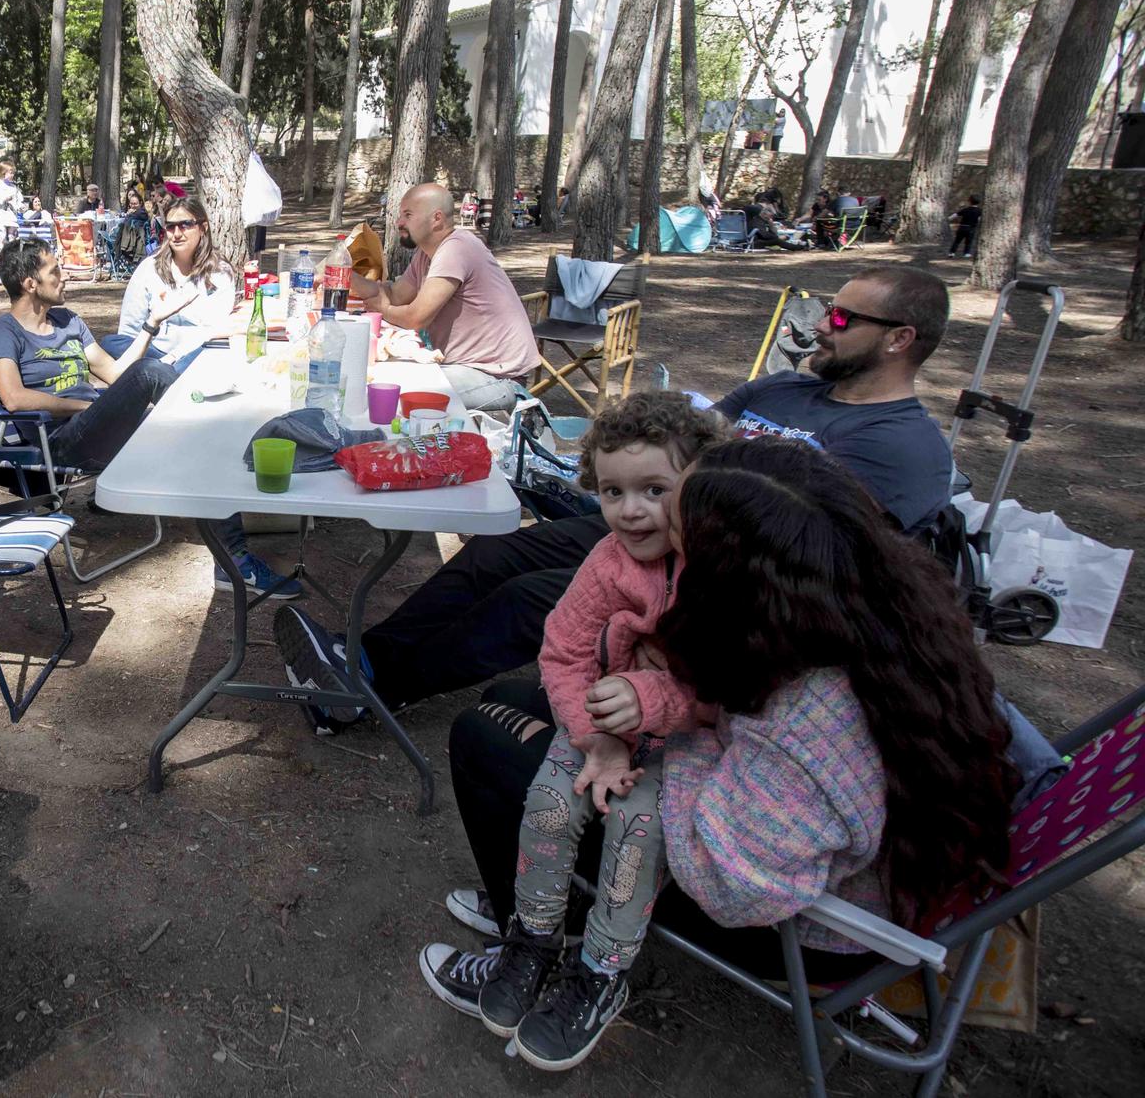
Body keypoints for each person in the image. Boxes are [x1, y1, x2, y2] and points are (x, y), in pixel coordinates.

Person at [429, 436, 1017, 1070]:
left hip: (794, 920)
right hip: (811, 834)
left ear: (732, 578)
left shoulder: (808, 719)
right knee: (515, 695)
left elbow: (733, 886)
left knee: (484, 735)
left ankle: (551, 941)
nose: (655, 541)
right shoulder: (875, 603)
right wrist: (645, 702)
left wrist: (660, 735)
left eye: (676, 534)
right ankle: (535, 910)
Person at [274, 265, 956, 728]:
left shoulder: (904, 447)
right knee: (496, 555)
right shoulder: (785, 390)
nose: (822, 325)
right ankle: (358, 659)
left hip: (715, 584)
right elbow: (685, 438)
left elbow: (835, 567)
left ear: (899, 339)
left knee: (526, 600)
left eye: (841, 316)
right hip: (652, 532)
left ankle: (367, 693)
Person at [416, 392, 720, 1069]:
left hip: (681, 743)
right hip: (599, 721)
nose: (630, 509)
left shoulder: (720, 571)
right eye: (612, 491)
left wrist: (647, 700)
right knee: (552, 803)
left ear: (698, 484)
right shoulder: (610, 559)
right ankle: (532, 940)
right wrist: (595, 735)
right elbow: (562, 649)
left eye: (654, 490)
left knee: (639, 831)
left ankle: (600, 972)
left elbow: (722, 688)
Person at [108, 196, 300, 595]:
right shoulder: (148, 271)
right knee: (207, 425)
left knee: (218, 410)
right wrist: (166, 338)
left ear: (203, 227)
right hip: (154, 361)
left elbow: (214, 333)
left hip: (194, 362)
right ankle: (234, 560)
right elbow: (126, 337)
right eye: (170, 226)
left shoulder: (219, 275)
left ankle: (233, 546)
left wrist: (181, 343)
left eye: (185, 225)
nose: (176, 233)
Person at [0, 238, 184, 474]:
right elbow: (14, 398)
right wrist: (85, 407)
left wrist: (152, 323)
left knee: (167, 424)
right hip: (61, 441)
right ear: (30, 284)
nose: (65, 276)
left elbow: (115, 374)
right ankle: (214, 422)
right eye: (55, 271)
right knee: (149, 372)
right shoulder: (4, 331)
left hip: (96, 424)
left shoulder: (68, 321)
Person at [347, 182, 539, 414]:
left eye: (408, 215)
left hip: (498, 378)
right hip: (465, 369)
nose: (399, 222)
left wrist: (384, 309)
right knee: (377, 378)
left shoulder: (456, 248)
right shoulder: (427, 253)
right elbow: (395, 295)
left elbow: (416, 317)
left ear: (436, 218)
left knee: (391, 391)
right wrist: (343, 274)